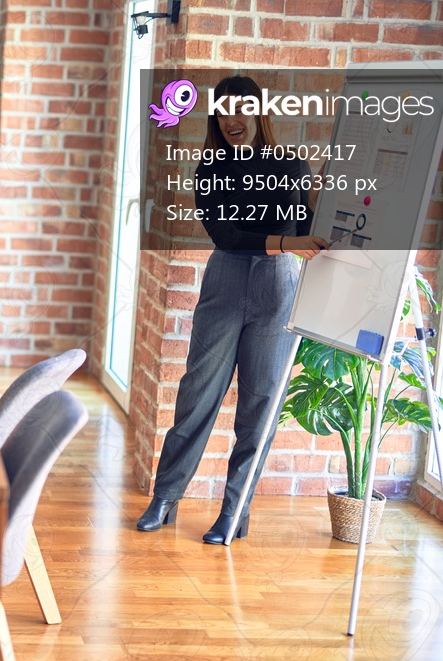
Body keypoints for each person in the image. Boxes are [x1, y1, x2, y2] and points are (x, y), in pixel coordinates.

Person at [136, 75, 329, 545]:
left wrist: (318, 198)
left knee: (259, 405)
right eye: (223, 111)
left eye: (241, 109)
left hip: (277, 285)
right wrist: (288, 241)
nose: (232, 120)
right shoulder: (210, 169)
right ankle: (165, 498)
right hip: (225, 280)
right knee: (197, 394)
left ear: (259, 112)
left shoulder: (291, 166)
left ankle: (234, 512)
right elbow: (227, 236)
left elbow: (305, 232)